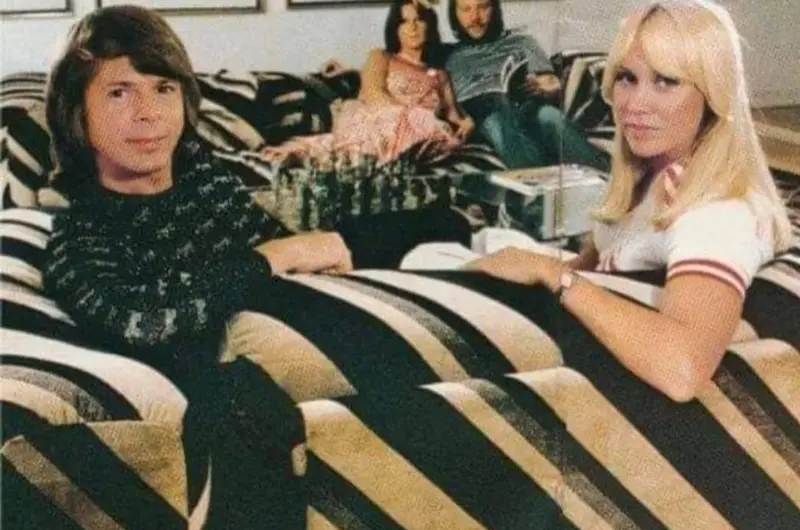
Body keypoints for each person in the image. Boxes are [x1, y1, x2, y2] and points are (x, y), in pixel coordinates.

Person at [41, 4, 471, 381]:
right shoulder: (83, 233)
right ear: (76, 112)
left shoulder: (199, 170)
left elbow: (270, 239)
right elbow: (143, 320)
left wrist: (311, 250)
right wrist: (284, 254)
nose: (148, 113)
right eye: (119, 93)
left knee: (446, 222)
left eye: (164, 88)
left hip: (321, 292)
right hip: (283, 348)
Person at [464, 0, 793, 402]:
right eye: (626, 78)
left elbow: (682, 368)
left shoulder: (719, 212)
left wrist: (550, 273)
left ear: (714, 94)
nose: (634, 105)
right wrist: (534, 265)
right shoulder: (652, 174)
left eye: (665, 82)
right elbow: (590, 265)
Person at [264, 0, 474, 164]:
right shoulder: (381, 57)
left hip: (423, 133)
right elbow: (374, 94)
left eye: (418, 20)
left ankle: (391, 159)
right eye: (404, 22)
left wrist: (467, 122)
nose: (412, 28)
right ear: (395, 28)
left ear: (430, 26)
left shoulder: (440, 75)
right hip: (383, 122)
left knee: (439, 134)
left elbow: (453, 115)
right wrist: (410, 117)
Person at [444, 0, 608, 170]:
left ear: (494, 9)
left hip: (525, 108)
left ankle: (608, 175)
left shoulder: (522, 42)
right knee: (497, 123)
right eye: (465, 9)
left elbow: (552, 83)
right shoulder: (451, 57)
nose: (475, 17)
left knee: (550, 116)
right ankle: (538, 182)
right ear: (454, 14)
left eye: (483, 7)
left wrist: (544, 87)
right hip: (483, 118)